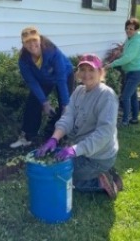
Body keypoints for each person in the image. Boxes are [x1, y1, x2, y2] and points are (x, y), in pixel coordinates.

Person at [36, 54, 123, 199]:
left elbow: (104, 133)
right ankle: (96, 173)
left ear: (100, 72)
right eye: (82, 69)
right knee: (56, 168)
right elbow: (68, 117)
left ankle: (105, 181)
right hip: (83, 150)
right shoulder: (79, 91)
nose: (86, 74)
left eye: (91, 70)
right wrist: (54, 139)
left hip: (98, 156)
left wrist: (75, 150)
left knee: (62, 178)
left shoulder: (106, 95)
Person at [10, 26, 74, 148]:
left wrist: (65, 104)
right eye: (27, 41)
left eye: (34, 40)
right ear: (23, 44)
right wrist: (44, 102)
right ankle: (27, 137)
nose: (32, 44)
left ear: (39, 39)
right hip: (43, 79)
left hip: (64, 75)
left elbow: (61, 79)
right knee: (33, 103)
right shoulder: (23, 60)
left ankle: (59, 138)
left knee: (65, 107)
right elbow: (32, 82)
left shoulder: (52, 51)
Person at [105, 18, 140, 126]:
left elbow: (128, 58)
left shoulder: (136, 41)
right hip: (130, 72)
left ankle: (124, 121)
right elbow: (127, 53)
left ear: (136, 30)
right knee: (132, 96)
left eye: (131, 29)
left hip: (136, 73)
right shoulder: (129, 39)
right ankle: (134, 119)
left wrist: (112, 64)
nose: (128, 30)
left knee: (125, 96)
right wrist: (120, 52)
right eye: (127, 28)